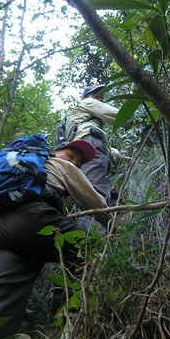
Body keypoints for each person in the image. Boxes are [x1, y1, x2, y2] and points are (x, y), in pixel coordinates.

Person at [0, 139, 109, 339]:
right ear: (54, 152)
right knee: (88, 252)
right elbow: (96, 204)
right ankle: (68, 328)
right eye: (71, 155)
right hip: (31, 219)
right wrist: (117, 223)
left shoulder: (10, 168)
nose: (75, 162)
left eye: (79, 161)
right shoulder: (58, 165)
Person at [66, 85, 130, 232]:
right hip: (90, 146)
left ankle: (107, 236)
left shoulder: (81, 120)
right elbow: (120, 117)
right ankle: (95, 243)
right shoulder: (87, 103)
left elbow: (98, 142)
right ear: (84, 97)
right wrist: (136, 119)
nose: (101, 97)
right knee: (94, 193)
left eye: (102, 95)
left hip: (82, 151)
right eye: (96, 94)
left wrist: (118, 155)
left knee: (92, 189)